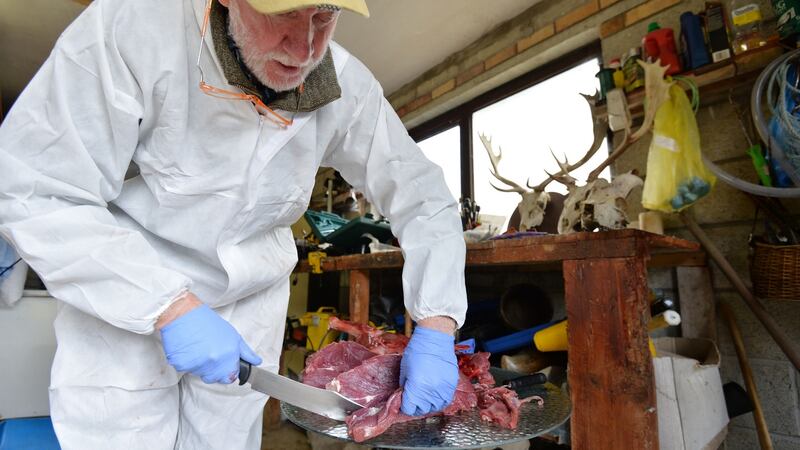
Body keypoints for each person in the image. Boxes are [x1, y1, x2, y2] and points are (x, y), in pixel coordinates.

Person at [0, 0, 468, 448]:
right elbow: (37, 187)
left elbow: (421, 195)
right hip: (125, 297)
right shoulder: (135, 30)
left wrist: (437, 324)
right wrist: (168, 306)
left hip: (246, 312)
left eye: (324, 17)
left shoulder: (348, 86)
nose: (304, 47)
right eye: (283, 14)